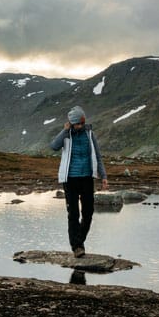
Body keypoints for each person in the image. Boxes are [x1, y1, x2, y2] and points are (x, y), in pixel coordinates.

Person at [50, 105, 107, 258]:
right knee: (73, 213)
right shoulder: (66, 135)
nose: (80, 126)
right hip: (70, 179)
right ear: (71, 123)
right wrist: (64, 130)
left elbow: (98, 155)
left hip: (87, 178)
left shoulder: (89, 134)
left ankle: (79, 240)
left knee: (88, 212)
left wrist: (104, 176)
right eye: (77, 124)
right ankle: (77, 247)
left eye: (82, 123)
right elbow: (54, 146)